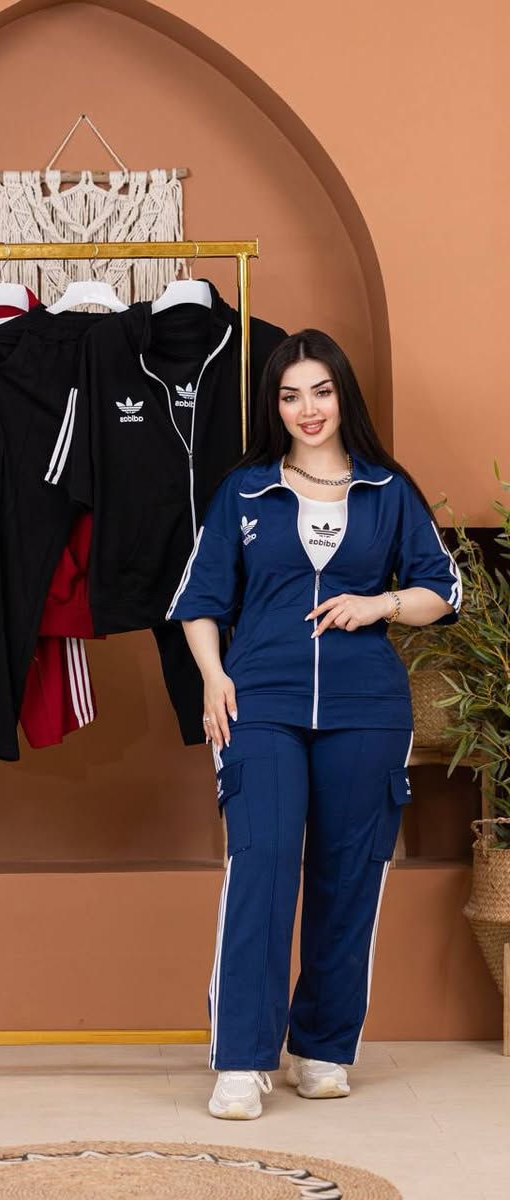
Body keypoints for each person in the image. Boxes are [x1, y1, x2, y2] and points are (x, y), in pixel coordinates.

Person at [169, 329, 462, 1120]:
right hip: (260, 702)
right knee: (261, 866)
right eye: (290, 395)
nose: (307, 409)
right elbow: (200, 598)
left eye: (321, 391)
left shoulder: (388, 489)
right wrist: (213, 678)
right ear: (275, 405)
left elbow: (443, 589)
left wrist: (381, 603)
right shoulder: (245, 491)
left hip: (367, 709)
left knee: (349, 873)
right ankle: (241, 1059)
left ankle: (324, 1047)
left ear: (342, 396)